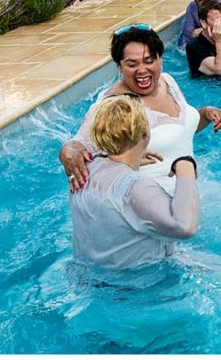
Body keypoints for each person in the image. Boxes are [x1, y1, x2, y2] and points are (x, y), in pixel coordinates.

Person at [60, 25, 221, 194]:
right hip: (154, 204)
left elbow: (179, 130)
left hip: (188, 190)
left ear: (160, 59)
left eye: (149, 60)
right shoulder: (116, 105)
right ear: (119, 66)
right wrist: (69, 152)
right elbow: (79, 144)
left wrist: (205, 114)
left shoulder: (166, 81)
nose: (142, 70)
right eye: (132, 64)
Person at [69, 94, 200, 270]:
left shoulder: (84, 169)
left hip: (87, 277)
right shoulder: (135, 187)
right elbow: (185, 227)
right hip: (139, 285)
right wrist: (185, 166)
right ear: (145, 133)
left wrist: (134, 158)